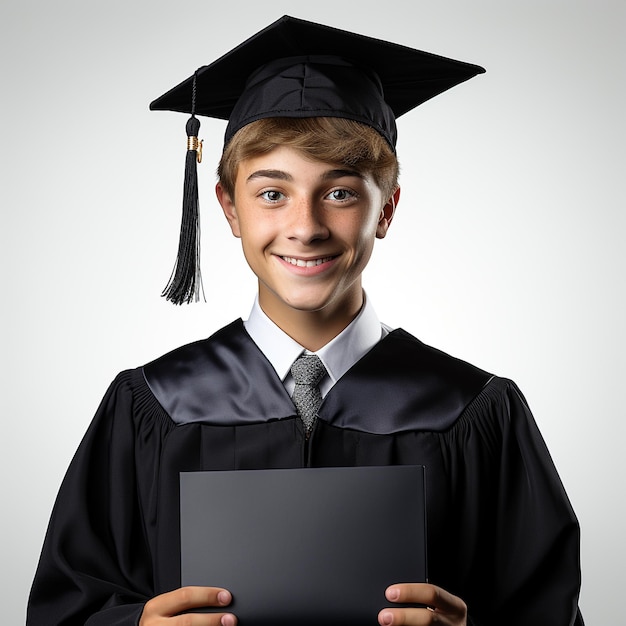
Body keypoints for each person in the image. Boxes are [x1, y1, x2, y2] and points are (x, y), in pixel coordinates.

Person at [26, 15, 583, 626]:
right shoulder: (155, 406)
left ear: (387, 208)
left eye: (340, 192)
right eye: (272, 192)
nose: (306, 226)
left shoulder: (470, 409)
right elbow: (66, 609)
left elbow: (547, 613)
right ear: (227, 208)